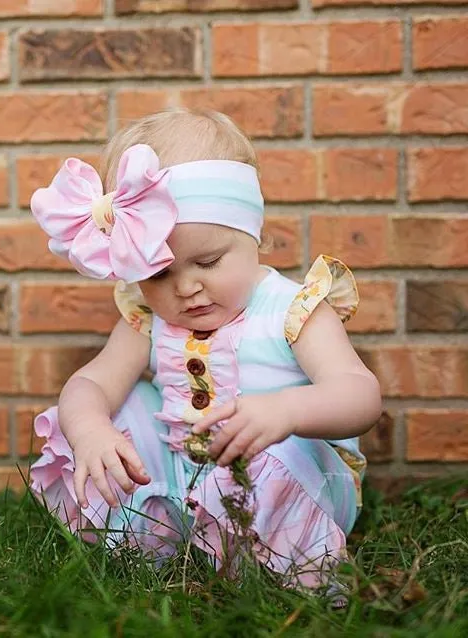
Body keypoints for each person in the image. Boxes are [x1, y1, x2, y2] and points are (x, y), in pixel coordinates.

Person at [28, 108, 381, 600]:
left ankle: (293, 571)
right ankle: (154, 541)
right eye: (158, 274)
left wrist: (288, 410)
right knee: (116, 412)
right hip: (181, 471)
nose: (188, 289)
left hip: (297, 477)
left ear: (253, 236)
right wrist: (91, 430)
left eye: (209, 261)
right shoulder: (147, 316)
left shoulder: (292, 308)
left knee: (270, 459)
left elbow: (360, 396)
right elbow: (91, 383)